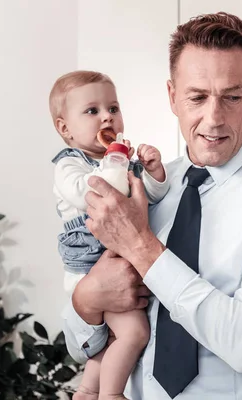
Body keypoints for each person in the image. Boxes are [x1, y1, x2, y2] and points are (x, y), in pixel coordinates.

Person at [62, 12, 242, 400]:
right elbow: (77, 344)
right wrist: (85, 300)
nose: (213, 119)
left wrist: (141, 246)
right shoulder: (146, 186)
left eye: (232, 97)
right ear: (173, 97)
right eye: (197, 97)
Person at [49, 70, 169, 400]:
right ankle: (112, 394)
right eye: (92, 111)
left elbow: (152, 197)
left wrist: (154, 173)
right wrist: (115, 160)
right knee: (134, 333)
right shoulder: (69, 165)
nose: (107, 117)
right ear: (65, 128)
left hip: (117, 259)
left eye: (113, 108)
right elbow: (92, 193)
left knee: (116, 337)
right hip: (93, 267)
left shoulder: (123, 161)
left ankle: (88, 390)